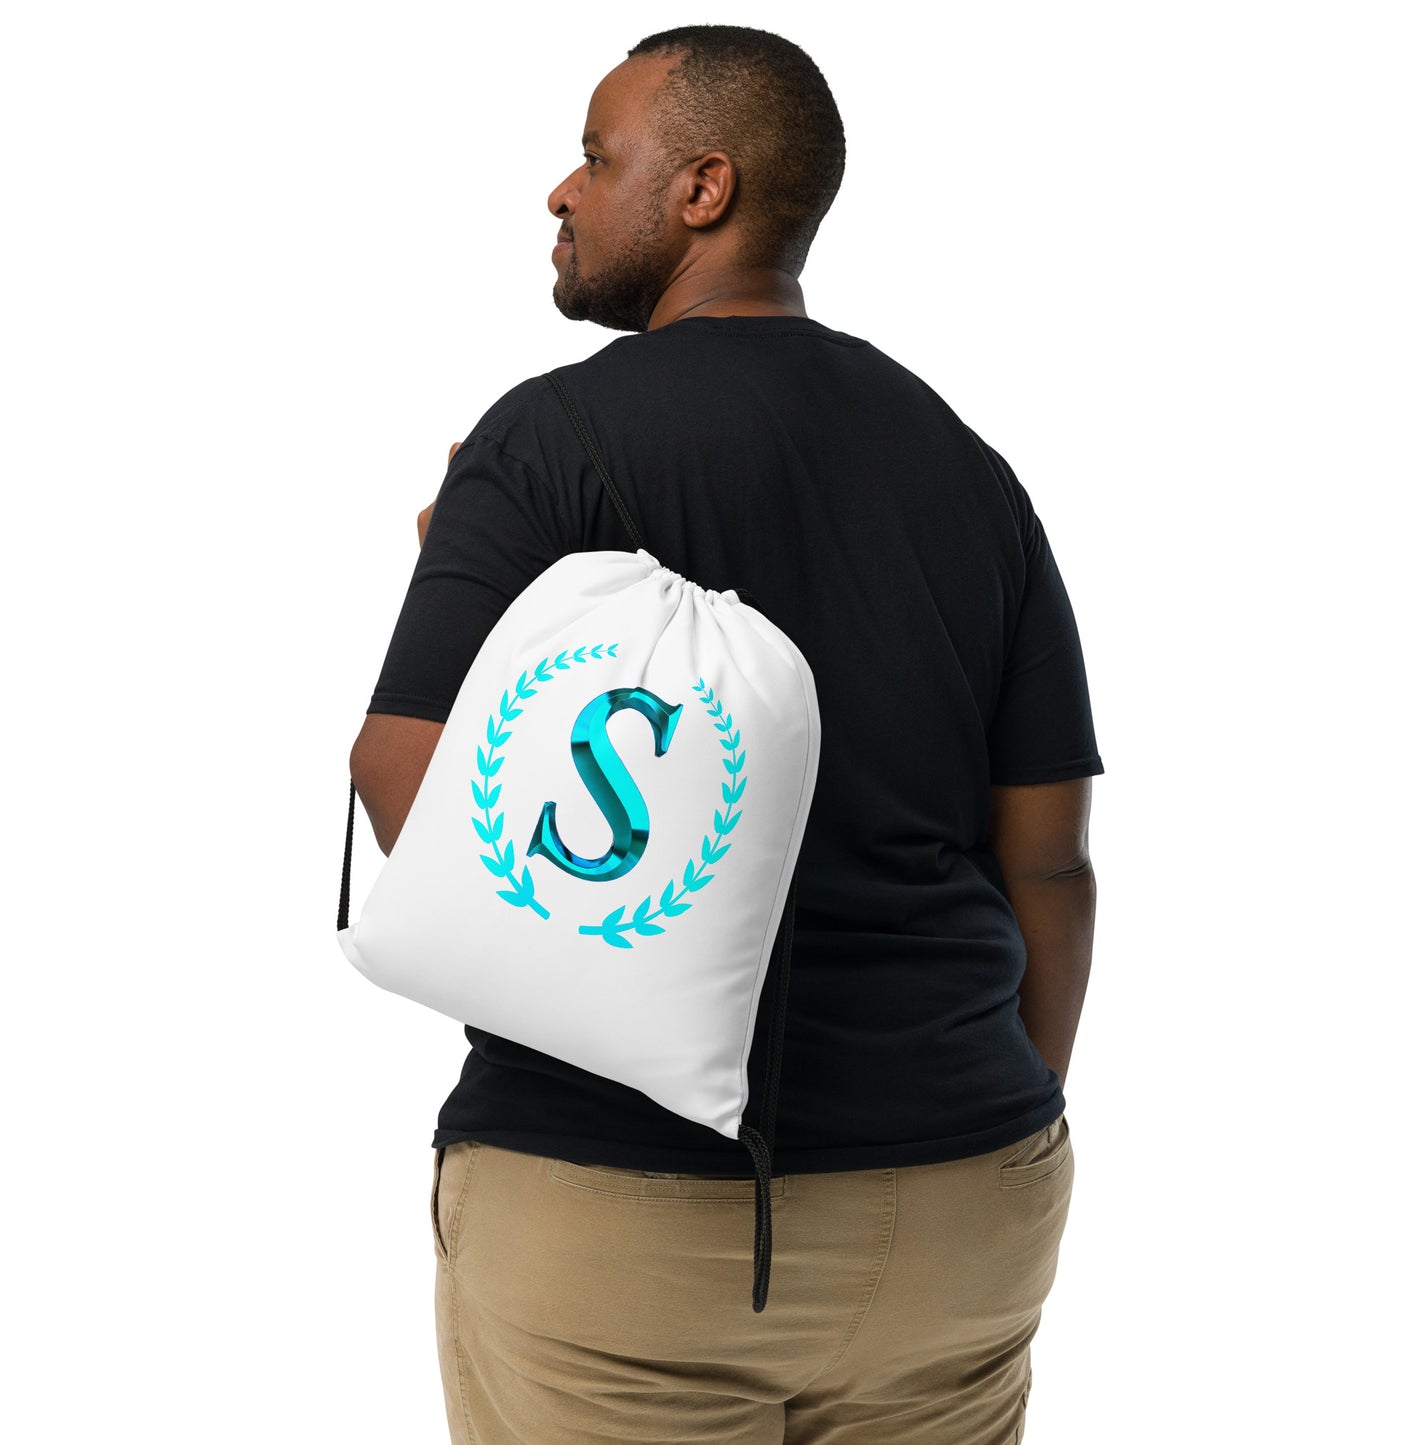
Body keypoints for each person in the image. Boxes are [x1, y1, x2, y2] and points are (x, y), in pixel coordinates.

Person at [347, 23, 1102, 1445]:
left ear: (703, 189)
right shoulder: (969, 468)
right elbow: (1049, 862)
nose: (561, 191)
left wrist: (471, 593)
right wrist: (978, 1124)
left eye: (595, 156)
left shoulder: (550, 439)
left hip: (623, 1223)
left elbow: (407, 789)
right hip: (960, 1214)